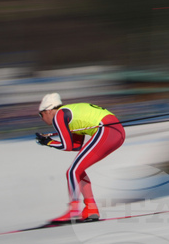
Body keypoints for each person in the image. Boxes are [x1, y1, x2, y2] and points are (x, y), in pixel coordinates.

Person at [36, 93, 125, 224]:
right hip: (116, 132)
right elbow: (75, 146)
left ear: (48, 110)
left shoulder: (59, 115)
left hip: (107, 130)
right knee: (78, 170)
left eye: (41, 114)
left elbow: (66, 145)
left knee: (72, 171)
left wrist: (48, 142)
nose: (42, 118)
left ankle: (73, 209)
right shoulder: (69, 115)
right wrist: (50, 142)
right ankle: (91, 209)